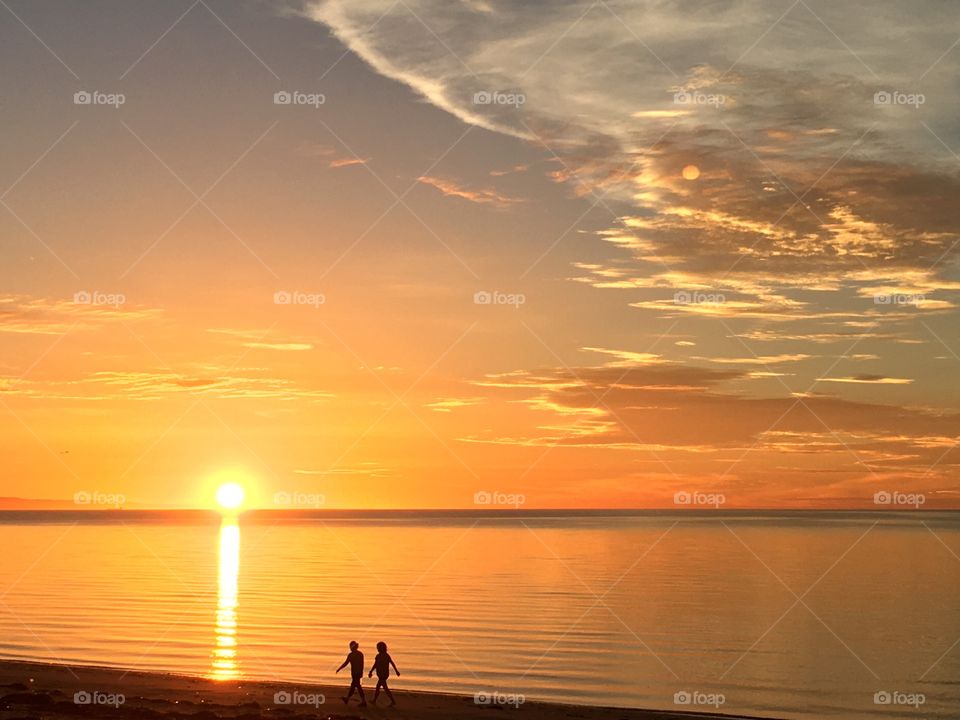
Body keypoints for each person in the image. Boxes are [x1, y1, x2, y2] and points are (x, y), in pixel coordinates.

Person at [368, 641, 400, 706]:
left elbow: (392, 663)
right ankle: (374, 700)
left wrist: (396, 671)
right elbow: (375, 664)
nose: (377, 649)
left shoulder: (386, 655)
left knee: (384, 688)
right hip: (380, 674)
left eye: (378, 648)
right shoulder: (378, 656)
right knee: (378, 687)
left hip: (384, 674)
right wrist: (371, 671)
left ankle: (393, 701)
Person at [336, 640, 366, 706]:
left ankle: (363, 701)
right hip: (359, 672)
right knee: (354, 686)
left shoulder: (351, 655)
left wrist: (339, 668)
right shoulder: (360, 654)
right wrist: (361, 672)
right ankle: (347, 699)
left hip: (355, 673)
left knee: (357, 686)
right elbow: (362, 664)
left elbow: (346, 663)